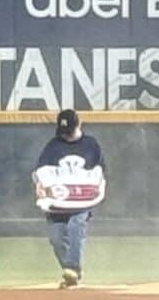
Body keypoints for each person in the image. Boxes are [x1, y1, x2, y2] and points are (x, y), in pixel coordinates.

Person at [30, 108, 104, 288]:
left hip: (81, 201)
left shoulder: (91, 144)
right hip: (58, 201)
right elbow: (40, 171)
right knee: (56, 237)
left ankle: (72, 267)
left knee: (76, 225)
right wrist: (39, 185)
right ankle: (71, 274)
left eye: (69, 131)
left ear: (78, 125)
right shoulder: (53, 145)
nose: (67, 136)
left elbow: (99, 172)